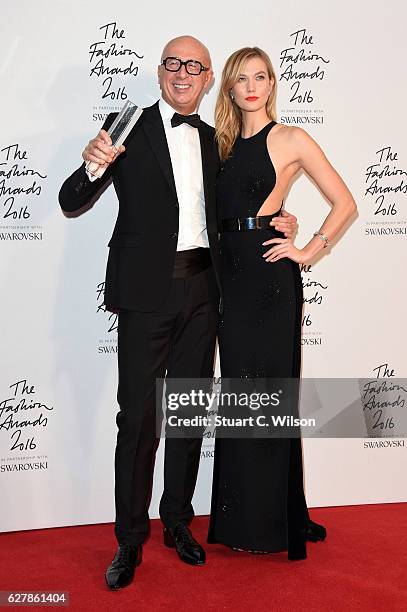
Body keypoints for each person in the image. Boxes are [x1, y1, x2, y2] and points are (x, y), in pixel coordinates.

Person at [59, 36, 298, 589]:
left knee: (188, 413)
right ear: (161, 72)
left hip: (204, 293)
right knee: (137, 421)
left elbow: (247, 202)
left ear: (209, 77)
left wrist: (281, 221)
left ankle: (177, 522)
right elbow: (71, 199)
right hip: (146, 295)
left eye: (195, 66)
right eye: (174, 64)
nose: (183, 74)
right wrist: (93, 165)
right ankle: (128, 540)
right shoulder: (127, 123)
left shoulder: (220, 140)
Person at [208, 47, 356, 558]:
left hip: (271, 282)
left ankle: (268, 526)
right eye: (241, 78)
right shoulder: (220, 143)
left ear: (272, 83)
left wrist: (307, 251)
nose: (252, 86)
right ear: (228, 87)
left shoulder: (291, 137)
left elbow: (345, 202)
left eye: (261, 77)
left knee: (268, 396)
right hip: (228, 277)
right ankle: (248, 517)